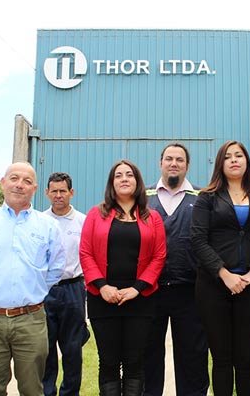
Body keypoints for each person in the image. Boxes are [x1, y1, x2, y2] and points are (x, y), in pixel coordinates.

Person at [0, 162, 66, 396]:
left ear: (34, 189)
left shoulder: (48, 226)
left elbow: (56, 268)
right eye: (14, 178)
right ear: (3, 183)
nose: (20, 185)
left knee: (32, 389)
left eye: (27, 181)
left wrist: (33, 289)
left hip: (31, 319)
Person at [190, 140, 250, 396]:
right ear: (220, 163)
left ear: (246, 161)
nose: (234, 160)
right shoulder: (206, 197)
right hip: (213, 287)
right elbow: (197, 240)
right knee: (221, 358)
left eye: (239, 155)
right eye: (228, 156)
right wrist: (224, 274)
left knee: (247, 358)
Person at [79, 159, 166, 396]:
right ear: (112, 183)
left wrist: (137, 288)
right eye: (119, 175)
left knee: (135, 362)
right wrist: (102, 286)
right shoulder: (96, 214)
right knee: (108, 362)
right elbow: (85, 253)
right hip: (102, 298)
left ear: (137, 182)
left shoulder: (152, 217)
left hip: (140, 299)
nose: (124, 179)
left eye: (129, 175)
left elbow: (159, 256)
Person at [144, 144, 209, 396]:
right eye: (169, 159)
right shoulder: (143, 196)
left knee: (193, 358)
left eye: (179, 160)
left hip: (191, 293)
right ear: (160, 163)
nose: (174, 163)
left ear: (187, 166)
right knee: (147, 357)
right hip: (150, 291)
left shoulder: (203, 197)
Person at [42, 172, 90, 396]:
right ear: (47, 193)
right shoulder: (39, 221)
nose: (58, 195)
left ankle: (70, 392)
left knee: (72, 348)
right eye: (54, 191)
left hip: (73, 289)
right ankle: (47, 391)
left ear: (71, 192)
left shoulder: (83, 221)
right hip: (45, 290)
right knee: (45, 348)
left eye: (63, 191)